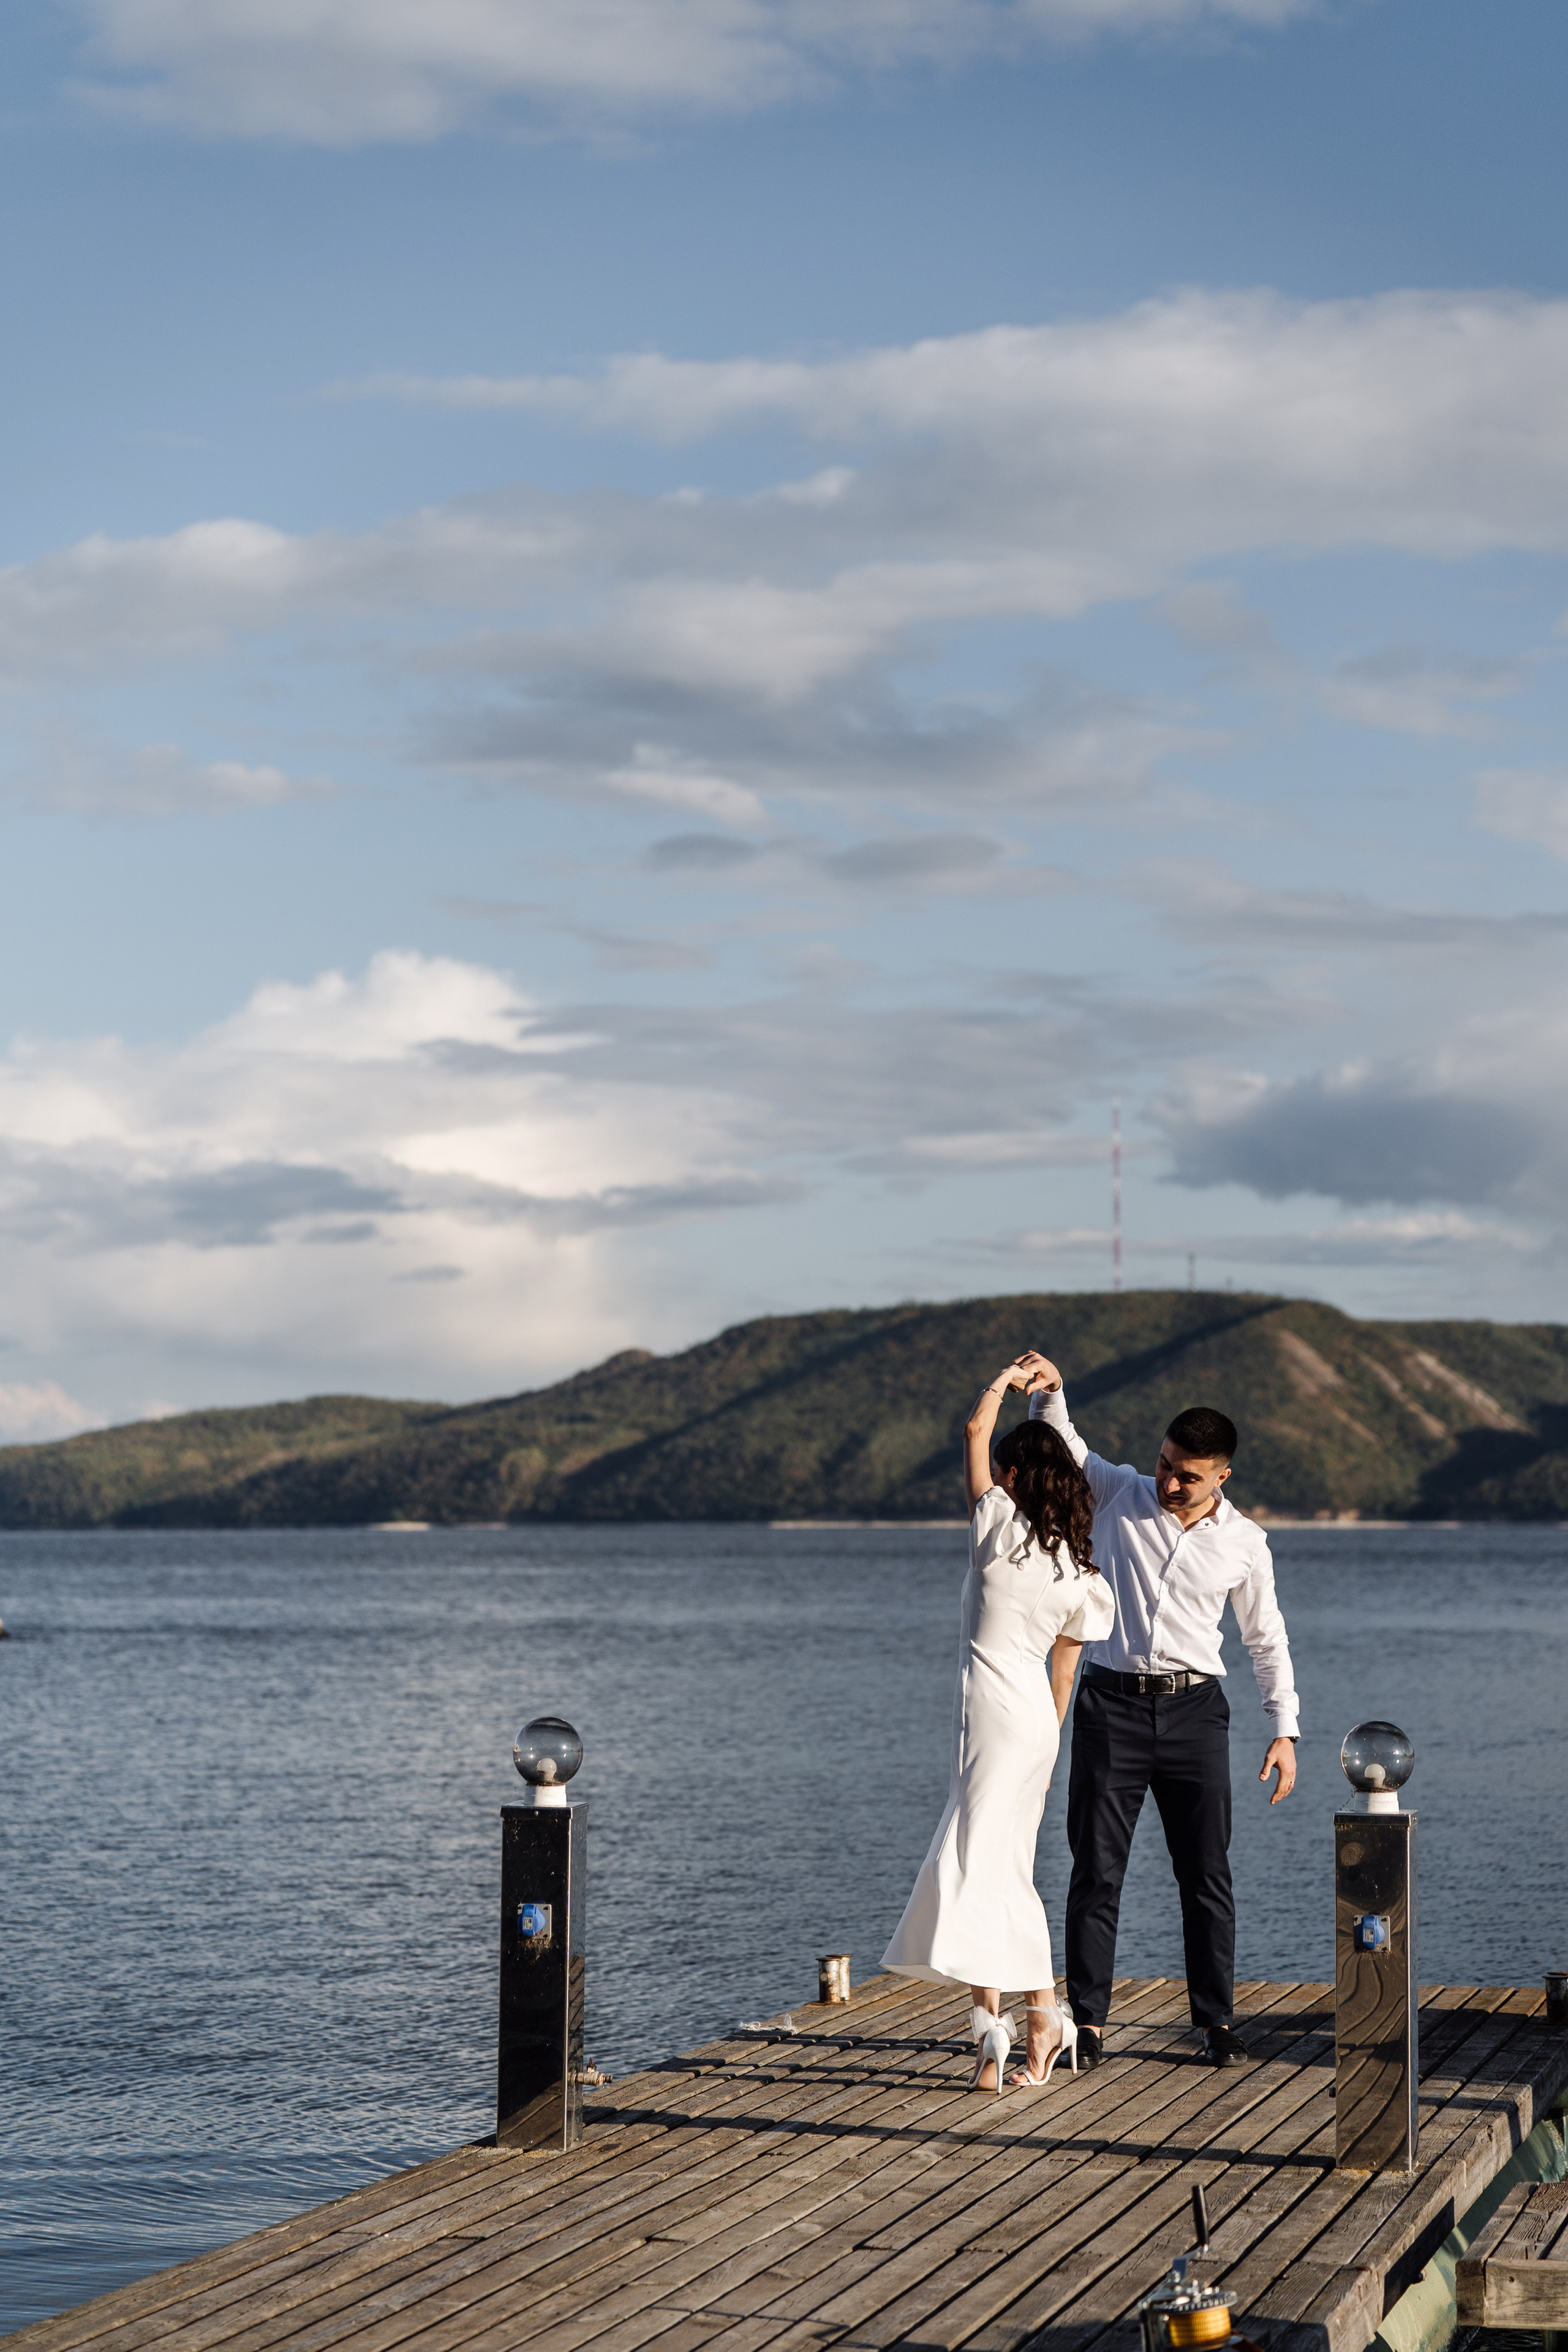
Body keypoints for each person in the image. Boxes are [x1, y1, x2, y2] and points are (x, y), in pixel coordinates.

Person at [1018, 1354, 1298, 2067]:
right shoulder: (1119, 1494)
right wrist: (1051, 1391)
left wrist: (1284, 1730)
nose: (1169, 1482)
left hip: (1195, 1714)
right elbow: (1066, 1445)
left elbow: (1265, 1640)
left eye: (1187, 1475)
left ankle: (1215, 2021)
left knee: (1205, 1874)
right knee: (1096, 1871)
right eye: (1166, 1464)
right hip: (1110, 1707)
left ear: (1221, 1477)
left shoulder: (1246, 1545)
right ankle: (1087, 2022)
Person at [883, 1356, 1115, 2091]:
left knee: (989, 1867)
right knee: (998, 1864)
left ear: (1012, 1475)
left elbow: (973, 1428)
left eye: (1003, 1467)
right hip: (1036, 1729)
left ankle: (1034, 2013)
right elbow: (1065, 1676)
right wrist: (1042, 1745)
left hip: (989, 1720)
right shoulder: (1081, 1574)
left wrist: (1003, 1382)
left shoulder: (994, 1526)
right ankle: (1001, 2029)